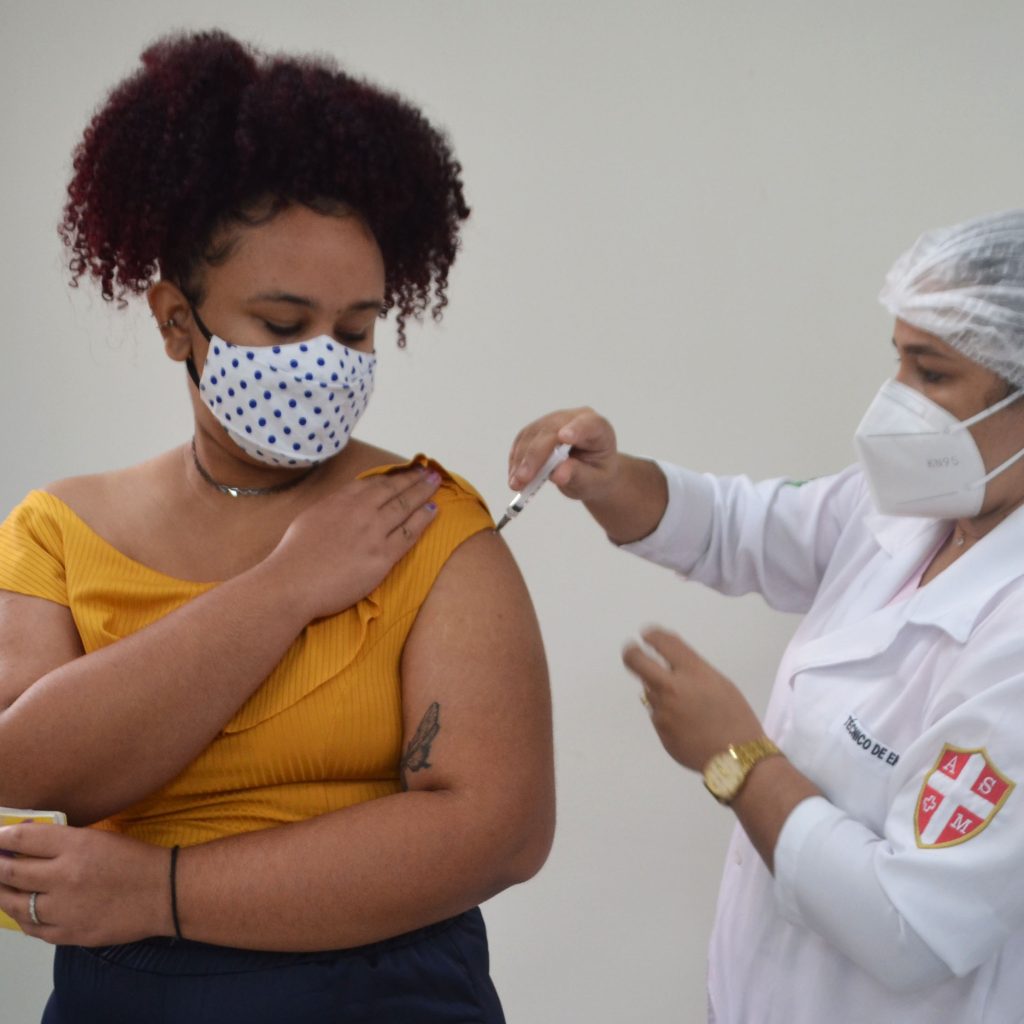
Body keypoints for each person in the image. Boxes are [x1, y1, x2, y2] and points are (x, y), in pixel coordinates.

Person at [0, 29, 554, 1024]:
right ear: (177, 321)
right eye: (284, 325)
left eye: (356, 328)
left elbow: (500, 830)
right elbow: (26, 767)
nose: (326, 361)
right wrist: (287, 587)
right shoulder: (59, 530)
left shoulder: (425, 520)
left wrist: (159, 891)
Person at [507, 209, 1024, 1022]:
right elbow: (740, 526)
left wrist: (738, 760)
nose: (896, 400)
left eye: (930, 374)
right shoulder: (917, 510)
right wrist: (612, 480)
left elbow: (912, 926)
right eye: (896, 360)